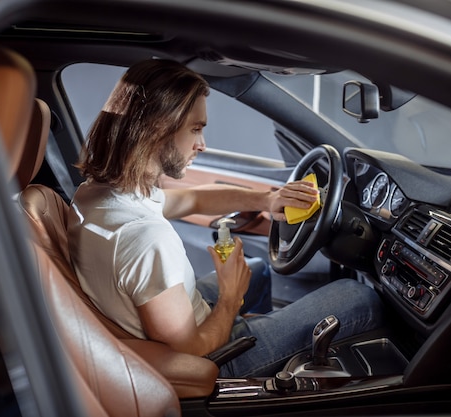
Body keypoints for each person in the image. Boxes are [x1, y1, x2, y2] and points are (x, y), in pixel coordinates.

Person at [67, 59, 384, 377]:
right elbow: (190, 349)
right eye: (196, 129)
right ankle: (261, 368)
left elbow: (192, 197)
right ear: (156, 129)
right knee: (360, 297)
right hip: (213, 360)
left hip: (177, 321)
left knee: (257, 270)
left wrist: (266, 199)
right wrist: (231, 298)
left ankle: (261, 339)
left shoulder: (99, 193)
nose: (202, 145)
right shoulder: (145, 238)